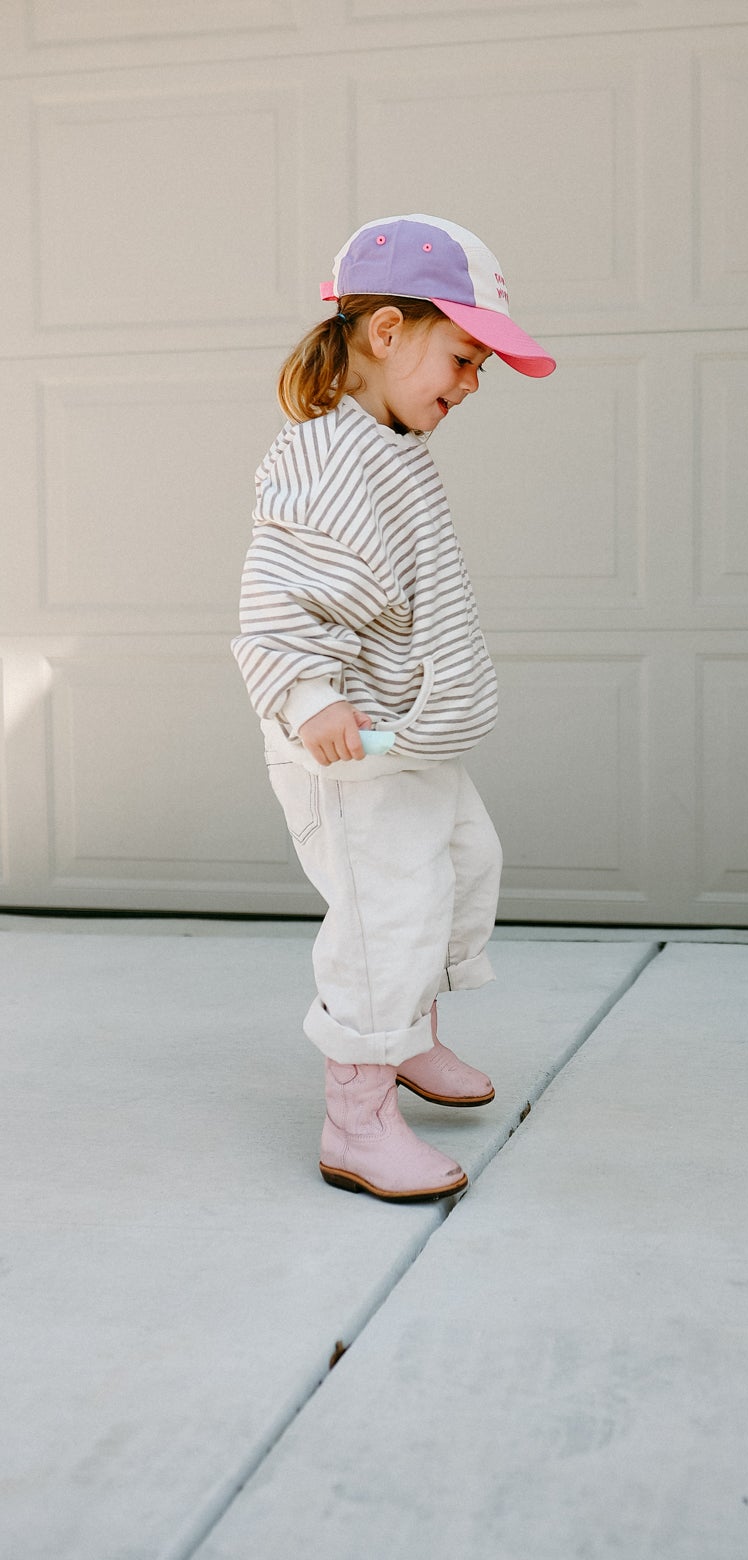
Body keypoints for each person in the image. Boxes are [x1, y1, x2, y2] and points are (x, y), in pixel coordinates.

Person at [231, 214, 556, 1203]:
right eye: (461, 356)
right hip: (349, 739)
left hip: (406, 727)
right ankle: (355, 1120)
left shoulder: (390, 441)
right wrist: (310, 695)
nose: (470, 383)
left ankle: (407, 1034)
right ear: (385, 332)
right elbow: (277, 598)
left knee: (461, 864)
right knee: (387, 914)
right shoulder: (324, 460)